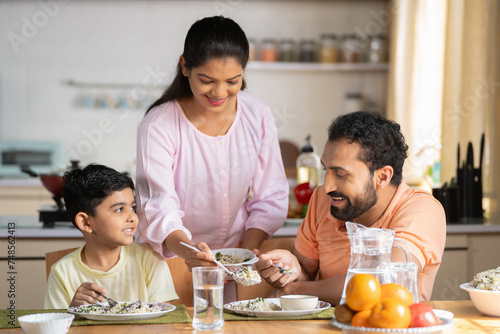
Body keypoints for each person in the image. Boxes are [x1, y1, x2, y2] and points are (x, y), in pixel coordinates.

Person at [135, 16, 288, 272]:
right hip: (172, 260)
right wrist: (189, 253)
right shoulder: (158, 125)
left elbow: (271, 196)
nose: (219, 93)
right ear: (185, 67)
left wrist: (245, 255)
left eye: (232, 82)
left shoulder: (257, 114)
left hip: (237, 257)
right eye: (207, 80)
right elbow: (159, 208)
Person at [256, 111, 446, 304]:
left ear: (382, 177)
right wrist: (290, 270)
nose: (327, 187)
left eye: (340, 174)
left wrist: (295, 289)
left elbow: (385, 281)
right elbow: (306, 279)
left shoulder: (422, 209)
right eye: (326, 170)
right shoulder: (322, 199)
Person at [44, 164, 178, 309]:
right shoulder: (62, 272)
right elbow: (55, 325)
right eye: (119, 209)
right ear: (85, 222)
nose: (132, 217)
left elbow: (163, 321)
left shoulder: (149, 259)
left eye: (133, 207)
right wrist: (73, 311)